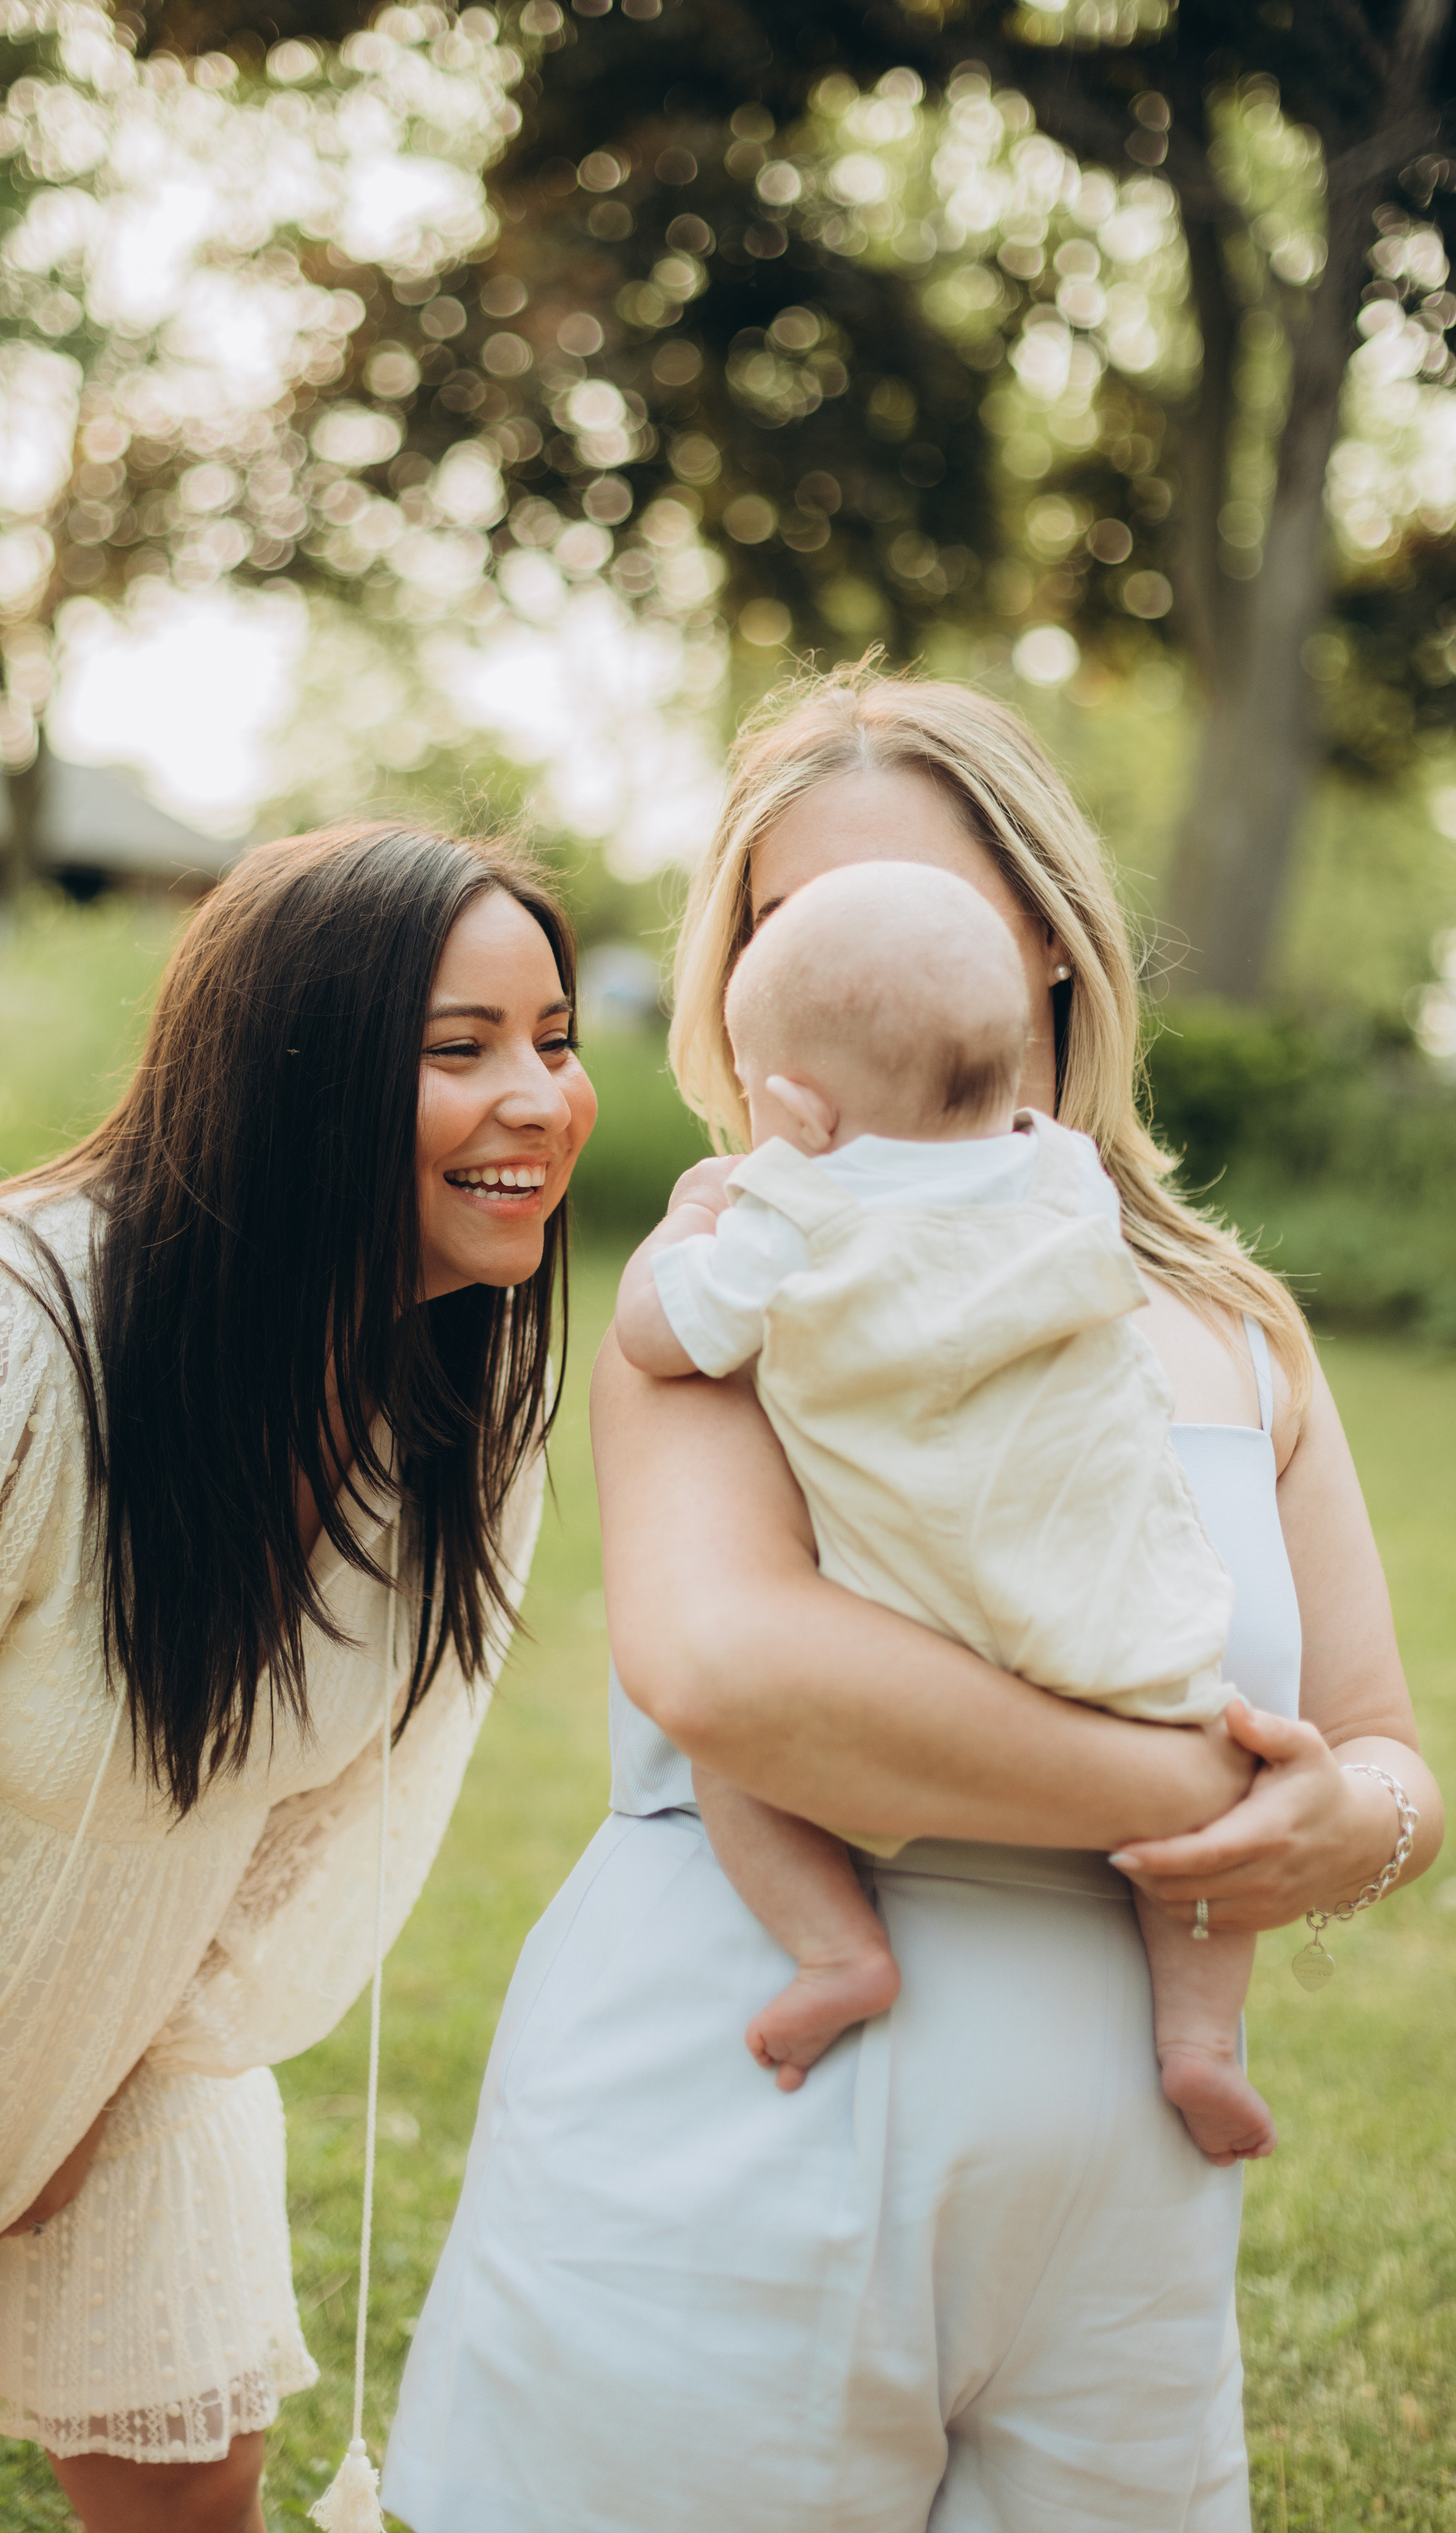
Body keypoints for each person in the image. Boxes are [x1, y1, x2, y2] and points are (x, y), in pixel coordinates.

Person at [384, 668, 1440, 2533]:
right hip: (729, 2143)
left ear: (1041, 940)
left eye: (906, 897)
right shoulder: (747, 1259)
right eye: (782, 917)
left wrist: (1352, 1825)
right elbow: (735, 1670)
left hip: (1122, 2234)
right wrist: (1213, 1798)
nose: (837, 947)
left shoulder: (1235, 1326)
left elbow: (1383, 1758)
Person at [0, 823, 595, 2533]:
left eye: (555, 1038)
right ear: (291, 1075)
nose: (541, 1100)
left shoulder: (449, 1411)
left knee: (192, 2483)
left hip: (122, 2040)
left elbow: (332, 1810)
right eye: (460, 1050)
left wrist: (121, 2059)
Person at [615, 856, 1272, 2167]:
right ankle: (1199, 2040)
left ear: (796, 1109)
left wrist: (688, 1223)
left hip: (911, 1618)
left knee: (732, 1762)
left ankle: (836, 1949)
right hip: (1101, 1603)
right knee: (1207, 1815)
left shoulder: (791, 1217)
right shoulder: (1065, 1182)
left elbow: (658, 1333)